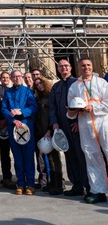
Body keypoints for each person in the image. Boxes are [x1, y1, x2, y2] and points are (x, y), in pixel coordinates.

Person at [67, 58, 108, 204]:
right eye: (83, 66)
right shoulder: (74, 86)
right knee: (91, 156)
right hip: (85, 124)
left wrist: (93, 107)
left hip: (103, 122)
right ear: (78, 68)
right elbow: (70, 109)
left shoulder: (102, 83)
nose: (86, 68)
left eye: (88, 65)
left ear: (92, 66)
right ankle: (98, 190)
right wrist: (72, 112)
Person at [49, 59, 89, 197]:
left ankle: (88, 185)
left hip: (76, 126)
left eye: (66, 66)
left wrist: (79, 121)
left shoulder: (78, 84)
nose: (63, 68)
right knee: (69, 156)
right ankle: (76, 185)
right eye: (60, 66)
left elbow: (83, 103)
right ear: (58, 69)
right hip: (62, 127)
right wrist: (54, 123)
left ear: (71, 68)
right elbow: (52, 107)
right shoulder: (56, 87)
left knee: (81, 155)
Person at [2, 69, 37, 195]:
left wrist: (21, 112)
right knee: (17, 157)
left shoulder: (28, 91)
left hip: (26, 126)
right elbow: (4, 108)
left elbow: (33, 107)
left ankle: (30, 184)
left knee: (28, 156)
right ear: (11, 79)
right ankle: (21, 183)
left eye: (18, 76)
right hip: (14, 128)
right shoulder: (8, 92)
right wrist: (12, 120)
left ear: (21, 78)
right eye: (14, 77)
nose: (17, 78)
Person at [33, 76, 63, 195]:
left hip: (49, 131)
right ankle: (51, 183)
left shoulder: (51, 96)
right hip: (41, 132)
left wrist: (50, 130)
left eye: (41, 83)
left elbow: (53, 114)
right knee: (47, 159)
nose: (39, 86)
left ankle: (58, 185)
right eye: (37, 85)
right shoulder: (40, 98)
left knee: (54, 159)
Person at [0, 70, 12, 188]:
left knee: (5, 152)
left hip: (7, 123)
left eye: (7, 77)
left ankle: (7, 177)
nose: (5, 79)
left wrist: (5, 121)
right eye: (3, 77)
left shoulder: (11, 91)